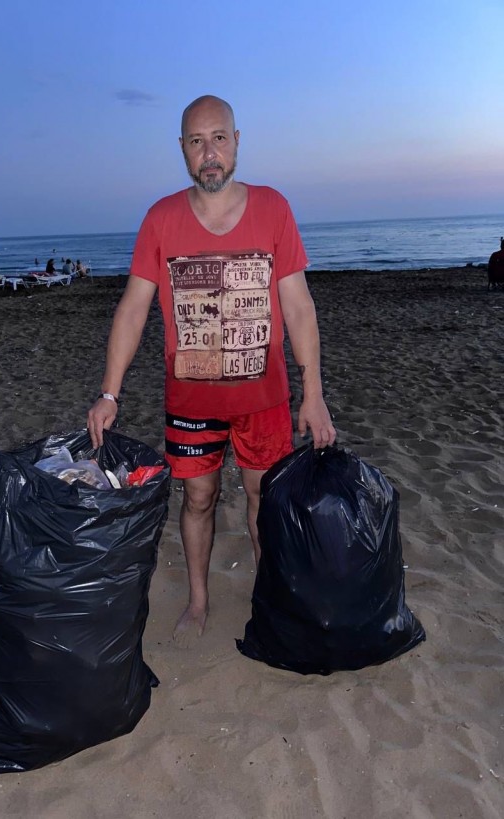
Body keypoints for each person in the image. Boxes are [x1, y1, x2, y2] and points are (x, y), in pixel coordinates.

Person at [87, 94, 336, 645]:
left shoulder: (273, 208)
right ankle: (199, 601)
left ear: (238, 141)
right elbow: (132, 308)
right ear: (182, 150)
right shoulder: (161, 219)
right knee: (197, 499)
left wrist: (312, 393)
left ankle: (272, 592)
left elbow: (298, 307)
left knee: (261, 498)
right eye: (197, 142)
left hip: (265, 400)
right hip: (191, 402)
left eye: (219, 138)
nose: (210, 154)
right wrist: (109, 392)